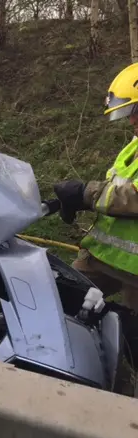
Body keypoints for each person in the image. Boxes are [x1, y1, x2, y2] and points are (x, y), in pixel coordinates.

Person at [53, 62, 138, 312]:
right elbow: (116, 189)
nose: (131, 119)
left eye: (136, 110)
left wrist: (85, 194)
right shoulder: (133, 147)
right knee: (59, 298)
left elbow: (133, 196)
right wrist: (78, 200)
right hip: (103, 258)